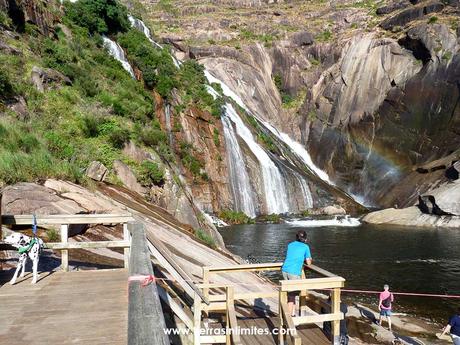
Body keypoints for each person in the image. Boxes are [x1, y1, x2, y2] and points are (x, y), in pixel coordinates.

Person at [281, 230, 312, 317]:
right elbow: (309, 262)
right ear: (305, 239)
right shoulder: (305, 247)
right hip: (293, 272)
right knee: (291, 297)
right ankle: (287, 320)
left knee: (292, 294)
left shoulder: (290, 245)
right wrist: (309, 259)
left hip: (284, 270)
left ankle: (293, 314)